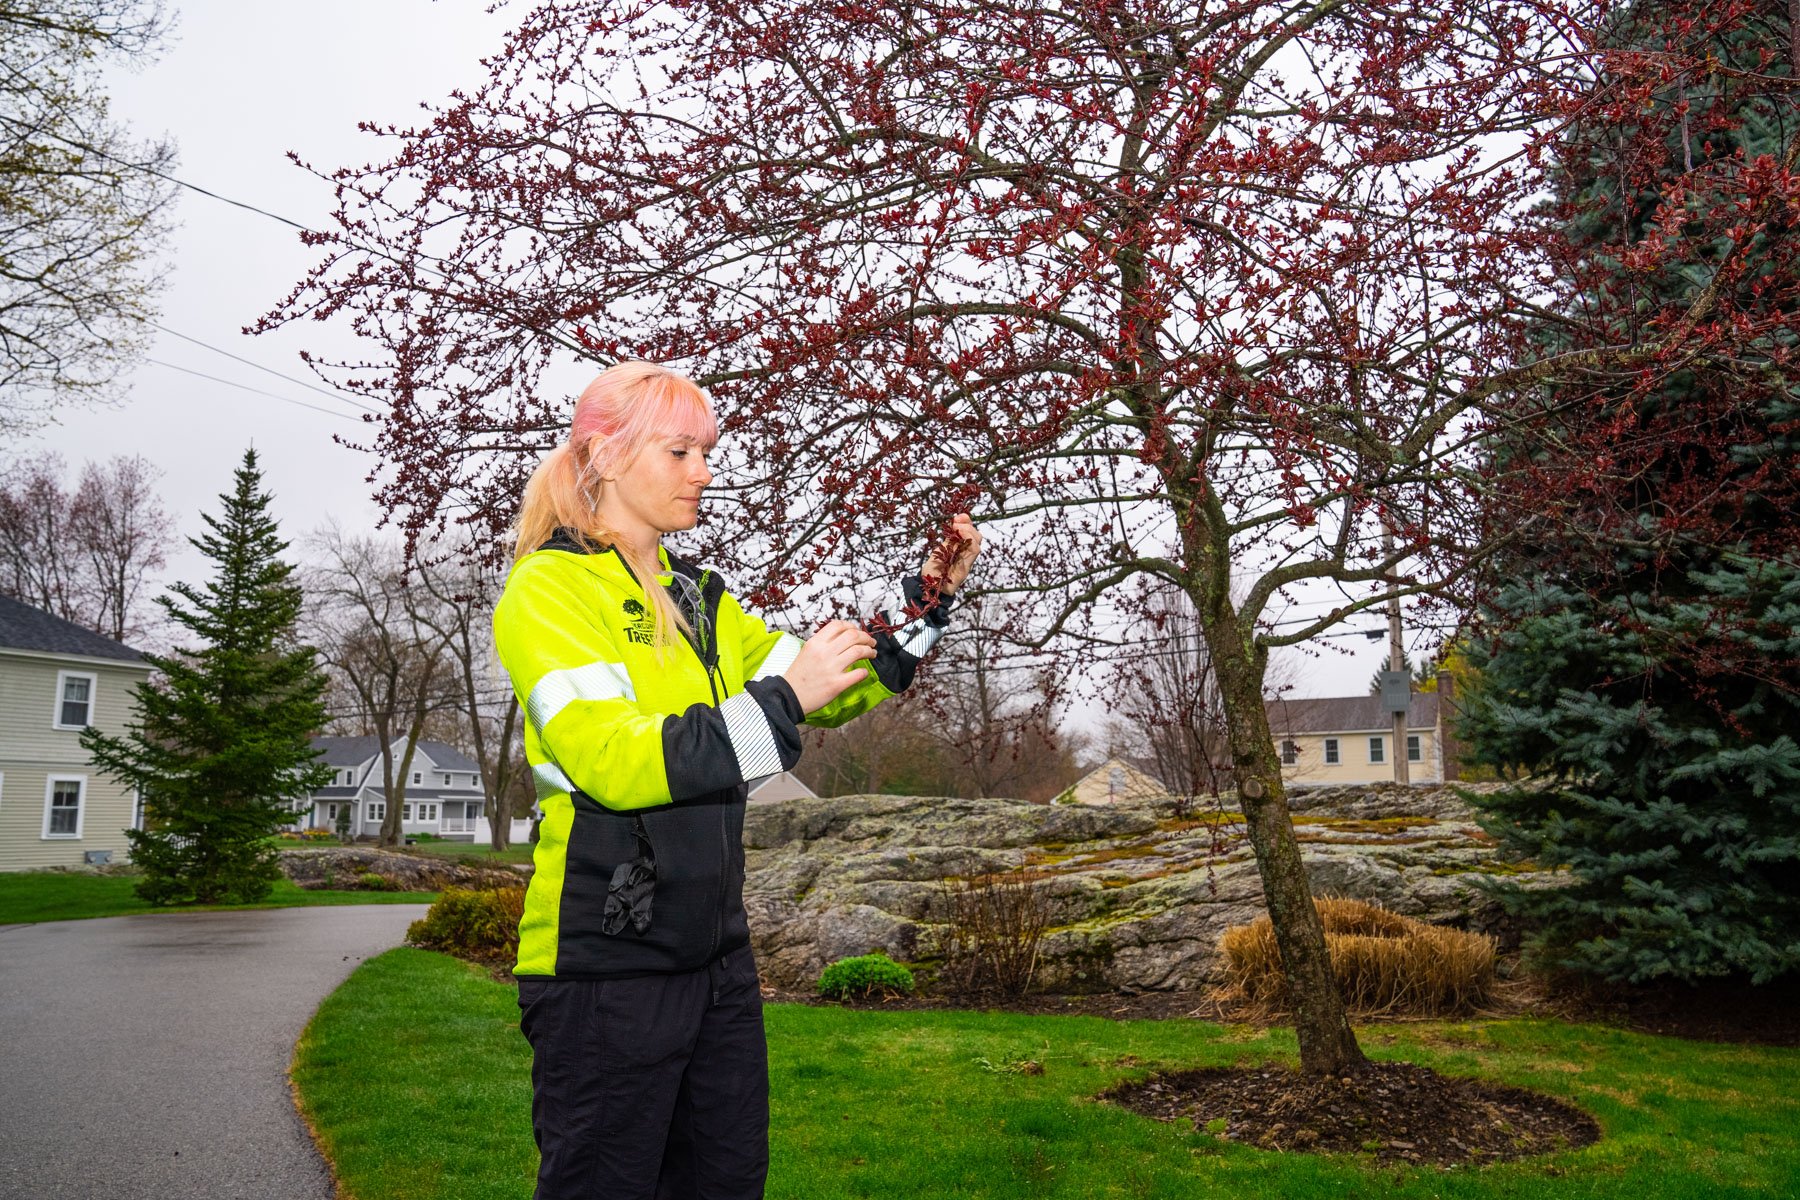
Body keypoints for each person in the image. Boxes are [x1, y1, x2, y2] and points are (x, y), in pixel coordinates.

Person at [492, 361, 980, 1200]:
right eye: (681, 452)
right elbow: (618, 762)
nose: (705, 473)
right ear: (605, 456)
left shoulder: (701, 598)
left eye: (706, 451)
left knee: (726, 1183)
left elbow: (829, 687)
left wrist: (929, 605)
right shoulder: (548, 591)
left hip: (716, 956)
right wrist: (785, 699)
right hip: (605, 964)